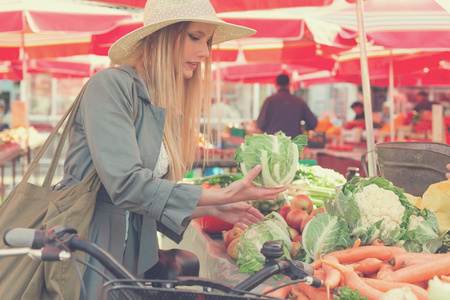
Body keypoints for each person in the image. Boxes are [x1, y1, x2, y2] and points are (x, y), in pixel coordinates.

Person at [53, 0, 289, 298]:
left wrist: (210, 208)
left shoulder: (164, 102)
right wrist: (223, 194)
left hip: (132, 258)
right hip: (89, 251)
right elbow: (126, 186)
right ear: (163, 35)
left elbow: (151, 197)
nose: (204, 53)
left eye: (208, 41)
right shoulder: (110, 86)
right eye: (195, 36)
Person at [256, 74, 318, 138]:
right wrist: (302, 127)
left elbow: (260, 125)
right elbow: (312, 123)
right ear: (289, 84)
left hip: (273, 143)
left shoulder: (269, 101)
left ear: (276, 86)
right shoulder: (299, 101)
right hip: (293, 143)